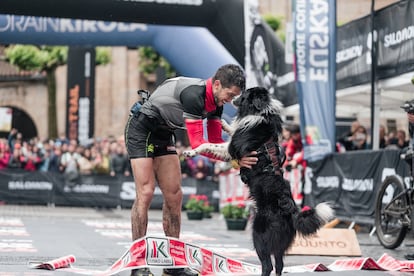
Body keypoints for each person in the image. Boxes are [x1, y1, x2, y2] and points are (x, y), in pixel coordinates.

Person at [124, 64, 257, 276]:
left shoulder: (216, 103)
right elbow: (198, 145)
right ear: (216, 84)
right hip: (142, 129)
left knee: (174, 195)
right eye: (229, 95)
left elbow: (214, 142)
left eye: (235, 97)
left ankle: (173, 263)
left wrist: (237, 156)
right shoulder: (194, 95)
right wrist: (236, 159)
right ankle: (138, 263)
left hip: (164, 132)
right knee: (146, 192)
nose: (230, 101)